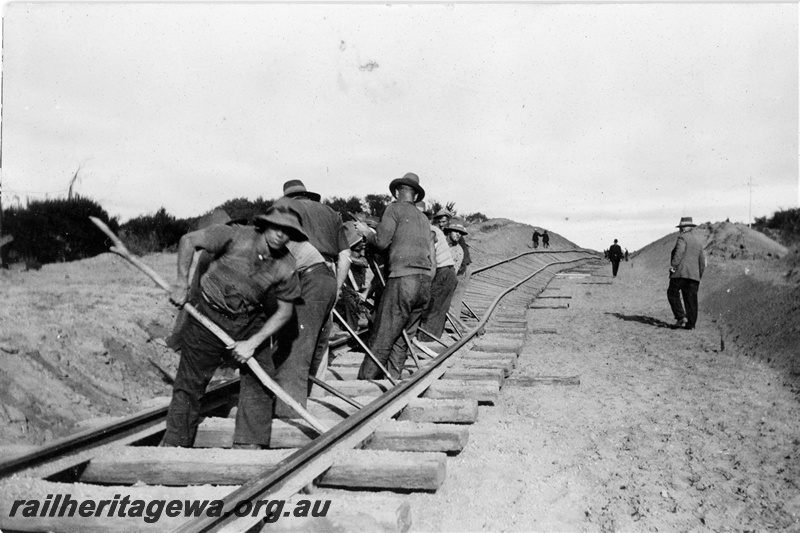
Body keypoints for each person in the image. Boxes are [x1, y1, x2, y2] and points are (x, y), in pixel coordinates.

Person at [162, 205, 306, 449]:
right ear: (265, 225)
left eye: (288, 231)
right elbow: (188, 241)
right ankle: (176, 443)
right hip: (207, 315)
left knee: (261, 380)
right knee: (190, 382)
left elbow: (285, 311)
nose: (281, 235)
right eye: (277, 227)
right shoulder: (234, 235)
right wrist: (180, 282)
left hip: (249, 322)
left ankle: (250, 444)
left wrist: (253, 343)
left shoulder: (286, 265)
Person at [271, 179, 350, 417]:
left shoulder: (286, 208)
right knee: (319, 340)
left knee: (293, 339)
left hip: (301, 271)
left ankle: (288, 406)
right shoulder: (329, 212)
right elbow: (345, 255)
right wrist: (337, 288)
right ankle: (315, 397)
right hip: (328, 274)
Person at [353, 172, 433, 380]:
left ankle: (367, 382)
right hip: (424, 282)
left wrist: (366, 232)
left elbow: (381, 242)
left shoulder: (394, 209)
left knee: (384, 332)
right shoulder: (424, 219)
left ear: (398, 192)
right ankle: (393, 380)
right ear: (415, 195)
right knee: (404, 337)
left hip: (403, 279)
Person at [417, 206, 458, 344]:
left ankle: (426, 342)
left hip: (442, 273)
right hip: (448, 272)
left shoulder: (430, 232)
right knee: (439, 309)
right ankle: (433, 340)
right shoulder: (435, 230)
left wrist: (427, 285)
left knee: (431, 308)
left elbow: (432, 263)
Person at [668, 217, 706, 330]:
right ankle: (691, 325)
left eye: (681, 228)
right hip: (694, 276)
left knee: (672, 292)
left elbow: (679, 253)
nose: (680, 230)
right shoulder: (698, 241)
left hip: (681, 273)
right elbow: (702, 261)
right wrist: (699, 275)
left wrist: (673, 266)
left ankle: (681, 317)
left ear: (684, 228)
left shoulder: (682, 238)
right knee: (691, 300)